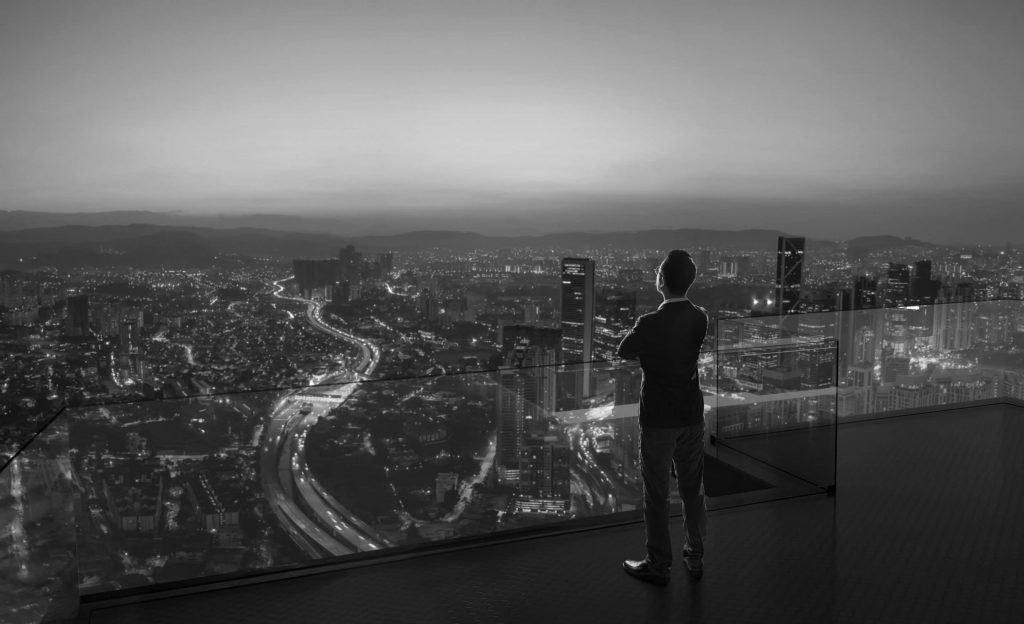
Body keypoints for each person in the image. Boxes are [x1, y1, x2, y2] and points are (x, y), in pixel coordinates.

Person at [618, 249, 709, 585]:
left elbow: (624, 350)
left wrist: (644, 329)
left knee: (656, 492)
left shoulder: (650, 323)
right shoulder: (700, 317)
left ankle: (658, 562)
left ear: (661, 280)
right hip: (691, 415)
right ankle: (695, 553)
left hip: (658, 419)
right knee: (691, 488)